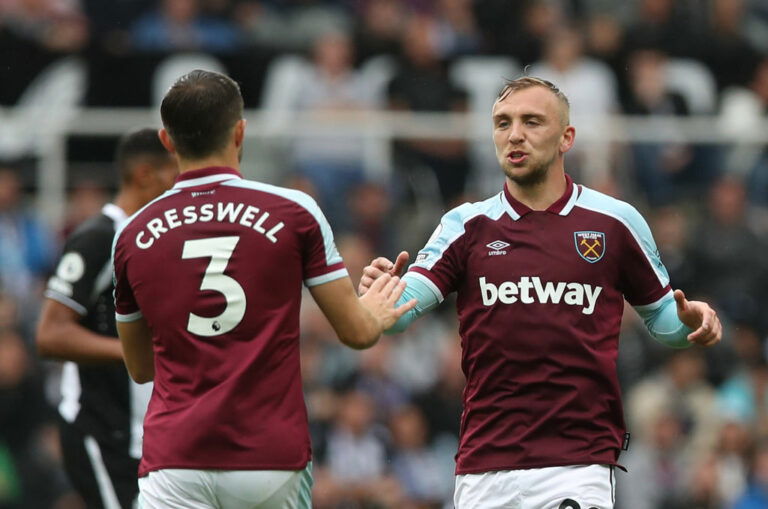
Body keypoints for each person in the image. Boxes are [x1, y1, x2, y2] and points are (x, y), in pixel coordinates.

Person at [359, 76, 722, 509]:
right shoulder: (465, 225)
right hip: (484, 466)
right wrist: (376, 300)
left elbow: (662, 318)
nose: (514, 135)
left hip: (576, 464)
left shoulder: (614, 222)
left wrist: (688, 322)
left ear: (566, 137)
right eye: (502, 123)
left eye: (532, 121)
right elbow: (401, 312)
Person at [111, 70, 415, 509]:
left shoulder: (133, 234)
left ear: (167, 141)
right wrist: (379, 308)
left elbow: (140, 368)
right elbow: (358, 333)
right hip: (269, 458)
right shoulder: (295, 211)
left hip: (175, 459)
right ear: (240, 131)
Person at [36, 128, 178, 508]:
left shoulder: (159, 237)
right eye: (174, 173)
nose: (181, 185)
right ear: (146, 174)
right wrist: (131, 351)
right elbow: (50, 334)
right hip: (100, 428)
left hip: (146, 437)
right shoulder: (99, 237)